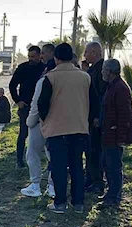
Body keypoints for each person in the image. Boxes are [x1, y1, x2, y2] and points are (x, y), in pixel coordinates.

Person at [37, 43, 91, 214]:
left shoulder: (50, 77)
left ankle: (60, 203)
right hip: (79, 128)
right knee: (76, 165)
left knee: (59, 167)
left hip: (57, 129)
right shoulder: (85, 77)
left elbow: (42, 104)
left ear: (56, 58)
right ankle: (78, 202)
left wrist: (45, 121)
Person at [100, 59, 132, 208]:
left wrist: (121, 137)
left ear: (109, 71)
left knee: (114, 166)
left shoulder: (120, 88)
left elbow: (124, 115)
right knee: (108, 165)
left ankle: (114, 197)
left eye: (104, 70)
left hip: (114, 135)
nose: (102, 72)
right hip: (108, 133)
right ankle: (110, 194)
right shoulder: (112, 86)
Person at [9, 45, 45, 168]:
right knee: (23, 134)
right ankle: (19, 160)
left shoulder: (45, 68)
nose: (31, 59)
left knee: (44, 134)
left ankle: (42, 160)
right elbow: (12, 85)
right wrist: (18, 100)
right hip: (26, 106)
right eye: (29, 56)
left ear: (40, 55)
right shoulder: (22, 68)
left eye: (33, 57)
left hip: (42, 107)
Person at [23, 67, 55, 199]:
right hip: (57, 123)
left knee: (32, 153)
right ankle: (53, 186)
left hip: (39, 123)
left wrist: (30, 122)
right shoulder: (66, 80)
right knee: (54, 155)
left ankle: (35, 185)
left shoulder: (43, 81)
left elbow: (35, 104)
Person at [84, 41, 107, 195]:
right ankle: (90, 178)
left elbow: (100, 95)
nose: (84, 55)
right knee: (90, 150)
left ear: (94, 52)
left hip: (96, 119)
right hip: (90, 117)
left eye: (86, 52)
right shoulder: (93, 69)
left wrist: (97, 116)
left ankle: (97, 181)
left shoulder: (101, 70)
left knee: (95, 150)